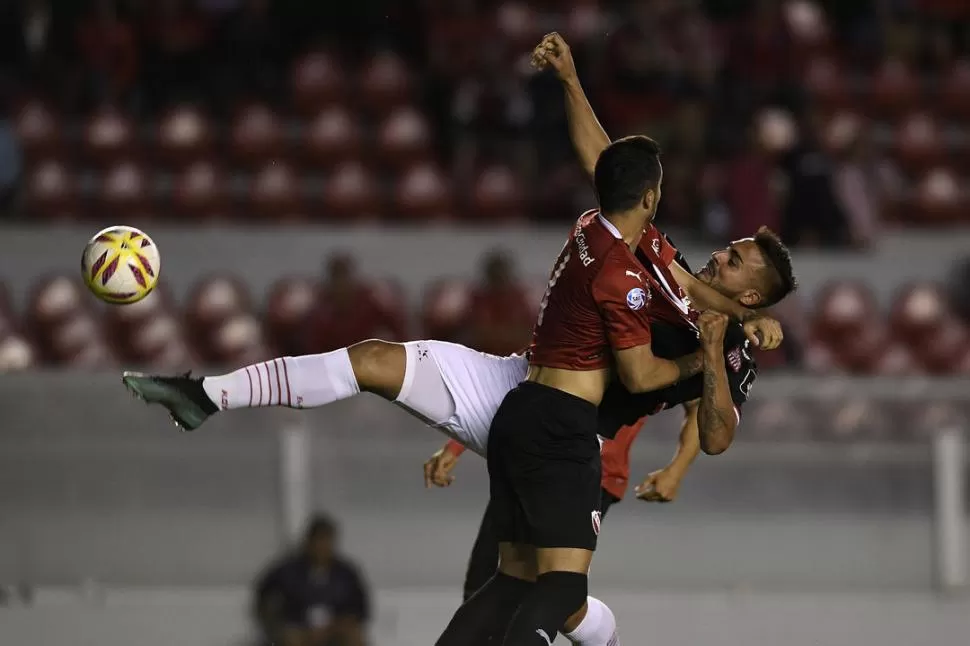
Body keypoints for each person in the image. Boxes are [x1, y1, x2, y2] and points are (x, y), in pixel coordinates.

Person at [253, 514, 369, 646]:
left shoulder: (346, 573)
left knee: (354, 637)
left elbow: (361, 608)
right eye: (318, 541)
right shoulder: (287, 571)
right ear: (309, 542)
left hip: (335, 626)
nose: (322, 547)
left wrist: (338, 624)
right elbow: (264, 597)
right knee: (291, 639)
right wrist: (278, 625)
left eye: (327, 541)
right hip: (299, 627)